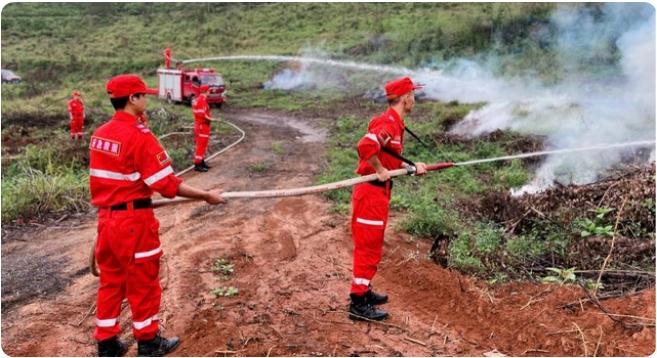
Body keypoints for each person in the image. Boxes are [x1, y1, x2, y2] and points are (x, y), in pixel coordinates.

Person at [89, 74, 225, 356]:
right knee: (144, 283)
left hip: (107, 221)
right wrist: (206, 196)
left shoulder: (99, 134)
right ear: (132, 99)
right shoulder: (139, 136)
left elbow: (121, 175)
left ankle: (107, 342)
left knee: (111, 281)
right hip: (133, 224)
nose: (146, 100)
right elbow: (168, 185)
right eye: (143, 95)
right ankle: (149, 342)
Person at [348, 77, 427, 321]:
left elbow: (388, 154)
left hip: (379, 193)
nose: (414, 99)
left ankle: (363, 290)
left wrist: (410, 166)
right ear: (405, 98)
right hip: (370, 193)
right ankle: (358, 304)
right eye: (413, 95)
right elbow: (365, 146)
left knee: (373, 245)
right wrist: (379, 169)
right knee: (368, 247)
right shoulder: (388, 123)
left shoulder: (395, 123)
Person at [191, 85, 219, 172]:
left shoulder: (198, 100)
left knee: (203, 145)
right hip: (202, 126)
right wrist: (212, 119)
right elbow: (202, 115)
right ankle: (198, 164)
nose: (209, 92)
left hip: (202, 126)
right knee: (201, 145)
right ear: (206, 91)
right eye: (209, 90)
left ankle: (201, 162)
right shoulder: (201, 100)